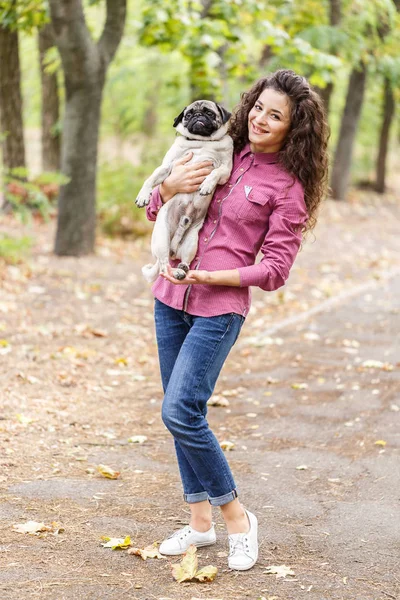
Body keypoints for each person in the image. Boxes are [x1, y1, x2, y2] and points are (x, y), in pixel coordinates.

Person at [144, 69, 329, 571]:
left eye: (276, 115)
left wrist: (210, 276)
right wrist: (165, 190)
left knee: (181, 410)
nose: (261, 119)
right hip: (169, 297)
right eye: (259, 108)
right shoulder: (218, 146)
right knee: (180, 415)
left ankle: (238, 519)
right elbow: (165, 211)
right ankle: (199, 526)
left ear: (295, 129)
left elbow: (274, 270)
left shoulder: (287, 187)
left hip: (217, 309)